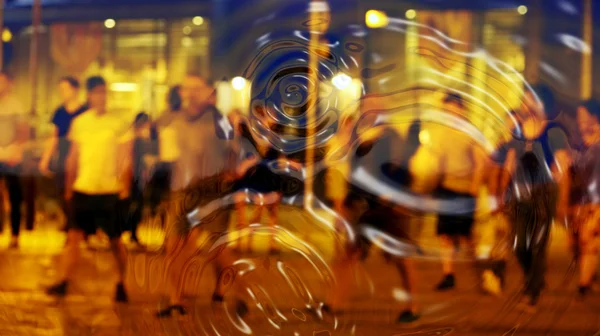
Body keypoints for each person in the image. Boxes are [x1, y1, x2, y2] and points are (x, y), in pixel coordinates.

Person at [155, 73, 245, 318]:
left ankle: (242, 291)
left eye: (197, 88)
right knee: (173, 245)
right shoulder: (174, 119)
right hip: (181, 189)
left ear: (207, 91)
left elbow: (235, 150)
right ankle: (176, 300)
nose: (191, 93)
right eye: (187, 88)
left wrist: (230, 173)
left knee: (217, 247)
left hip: (212, 190)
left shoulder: (219, 120)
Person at [319, 119, 422, 323]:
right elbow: (356, 181)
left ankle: (412, 306)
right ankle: (335, 302)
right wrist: (347, 208)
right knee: (349, 255)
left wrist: (396, 198)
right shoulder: (359, 149)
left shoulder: (388, 138)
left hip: (389, 209)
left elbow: (405, 172)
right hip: (368, 208)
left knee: (402, 259)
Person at [46, 76, 132, 302]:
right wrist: (69, 186)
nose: (100, 97)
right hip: (83, 188)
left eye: (103, 93)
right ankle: (63, 281)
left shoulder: (118, 124)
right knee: (73, 237)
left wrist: (124, 187)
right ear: (89, 96)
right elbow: (73, 157)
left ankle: (122, 282)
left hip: (108, 190)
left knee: (115, 241)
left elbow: (126, 157)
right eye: (95, 93)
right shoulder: (80, 123)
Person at [494, 84, 571, 311]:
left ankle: (532, 292)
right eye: (524, 100)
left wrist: (561, 198)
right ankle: (534, 278)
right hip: (519, 192)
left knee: (538, 243)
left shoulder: (554, 131)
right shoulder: (517, 130)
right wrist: (501, 191)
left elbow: (563, 166)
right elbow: (509, 162)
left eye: (530, 100)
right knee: (519, 244)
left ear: (542, 104)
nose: (525, 105)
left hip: (544, 192)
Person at [430, 93, 486, 291]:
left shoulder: (470, 133)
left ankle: (479, 274)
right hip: (445, 188)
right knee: (444, 234)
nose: (449, 114)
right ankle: (448, 275)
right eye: (446, 110)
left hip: (464, 189)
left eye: (453, 109)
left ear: (461, 109)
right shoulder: (441, 133)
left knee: (466, 236)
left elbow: (481, 162)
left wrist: (474, 187)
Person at [39, 77, 88, 233]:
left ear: (75, 90)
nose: (63, 93)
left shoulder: (85, 111)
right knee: (62, 190)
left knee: (79, 191)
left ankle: (81, 227)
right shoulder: (59, 112)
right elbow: (53, 137)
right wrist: (46, 159)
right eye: (61, 90)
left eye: (65, 89)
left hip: (81, 155)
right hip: (63, 154)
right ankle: (69, 224)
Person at [569, 99, 600, 296]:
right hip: (579, 199)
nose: (579, 121)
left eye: (583, 117)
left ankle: (584, 283)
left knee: (588, 239)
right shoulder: (577, 143)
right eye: (578, 117)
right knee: (576, 243)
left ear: (594, 117)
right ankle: (589, 277)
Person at [120, 112, 158, 248]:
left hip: (138, 177)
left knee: (136, 205)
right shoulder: (134, 139)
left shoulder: (139, 139)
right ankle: (129, 232)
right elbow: (129, 160)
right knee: (133, 206)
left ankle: (132, 233)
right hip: (132, 177)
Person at [0, 71, 28, 248]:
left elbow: (23, 131)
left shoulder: (16, 105)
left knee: (14, 196)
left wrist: (16, 150)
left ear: (9, 83)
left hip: (11, 156)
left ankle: (15, 234)